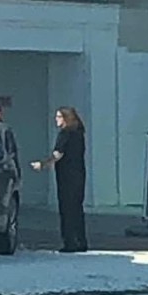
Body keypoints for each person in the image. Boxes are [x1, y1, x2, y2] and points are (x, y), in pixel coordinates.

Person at [31, 106, 88, 253]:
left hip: (66, 176)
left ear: (66, 118)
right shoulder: (79, 133)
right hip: (79, 174)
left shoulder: (65, 133)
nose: (56, 119)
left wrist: (42, 164)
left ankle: (69, 242)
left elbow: (58, 154)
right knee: (77, 209)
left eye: (59, 117)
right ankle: (81, 241)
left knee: (66, 209)